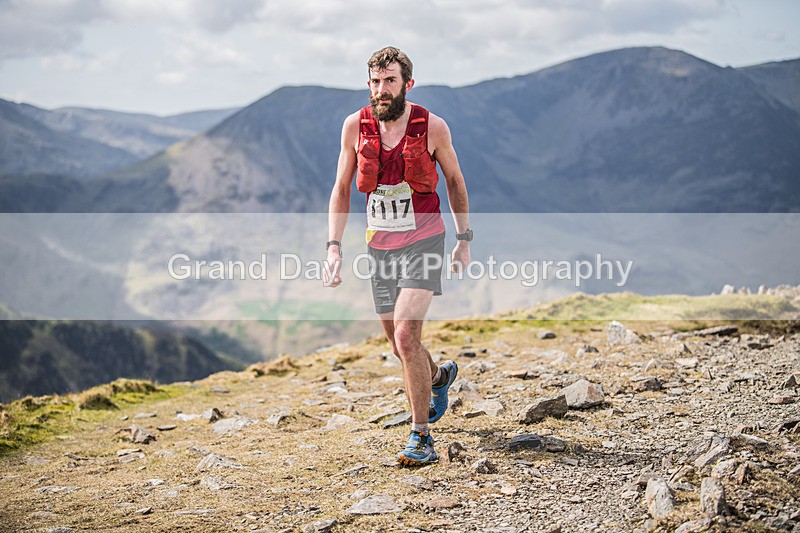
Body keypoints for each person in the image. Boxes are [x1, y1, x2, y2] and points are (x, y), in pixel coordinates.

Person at [325, 46, 472, 466]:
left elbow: (455, 182)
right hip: (379, 246)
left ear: (408, 84)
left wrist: (464, 238)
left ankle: (421, 437)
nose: (381, 89)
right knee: (397, 345)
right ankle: (438, 376)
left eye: (390, 81)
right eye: (374, 81)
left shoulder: (433, 127)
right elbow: (340, 189)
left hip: (425, 239)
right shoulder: (355, 126)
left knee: (408, 335)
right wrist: (333, 248)